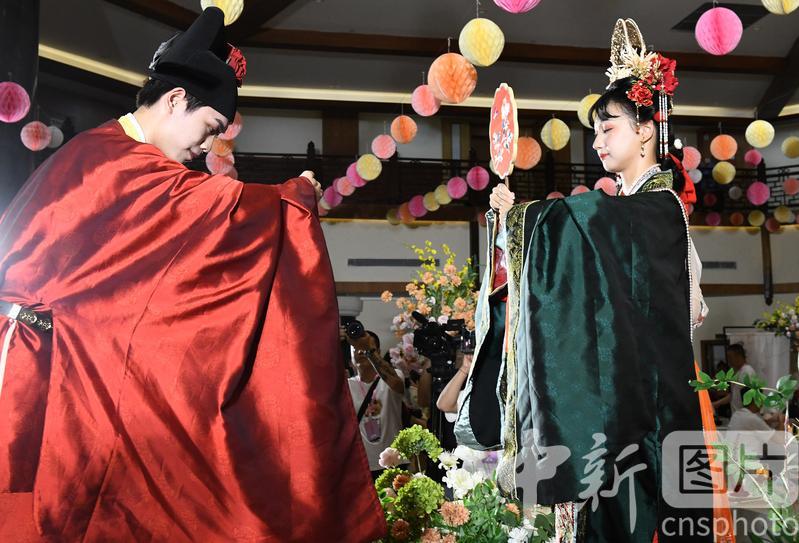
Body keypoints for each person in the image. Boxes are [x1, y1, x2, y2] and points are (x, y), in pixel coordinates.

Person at [0, 8, 385, 542]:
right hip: (39, 372)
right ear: (176, 99)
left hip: (55, 358)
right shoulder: (114, 163)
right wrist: (291, 199)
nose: (207, 148)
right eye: (209, 130)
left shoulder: (106, 153)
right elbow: (211, 209)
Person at [457, 19, 719, 542]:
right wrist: (512, 223)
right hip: (629, 392)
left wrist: (521, 221)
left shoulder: (656, 208)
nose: (596, 142)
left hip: (650, 399)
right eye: (594, 132)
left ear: (645, 130)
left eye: (608, 128)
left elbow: (596, 229)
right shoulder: (633, 210)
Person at [346, 330, 406, 478]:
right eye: (356, 348)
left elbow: (397, 385)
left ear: (377, 352)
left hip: (395, 461)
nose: (361, 352)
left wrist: (370, 352)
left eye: (366, 348)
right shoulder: (346, 386)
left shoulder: (394, 376)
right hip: (362, 465)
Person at [712, 343, 758, 414]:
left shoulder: (747, 372)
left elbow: (751, 400)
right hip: (738, 415)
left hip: (745, 416)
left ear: (738, 356)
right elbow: (733, 395)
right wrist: (716, 404)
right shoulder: (738, 372)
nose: (728, 361)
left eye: (730, 357)